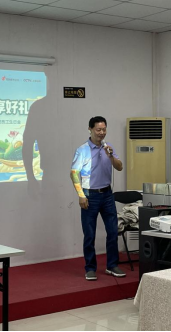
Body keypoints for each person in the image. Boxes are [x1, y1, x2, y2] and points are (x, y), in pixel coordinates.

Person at [70, 116, 125, 281]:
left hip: (107, 194)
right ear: (90, 129)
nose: (101, 133)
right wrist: (81, 195)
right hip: (89, 195)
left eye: (104, 129)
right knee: (89, 234)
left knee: (113, 231)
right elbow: (74, 173)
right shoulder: (82, 150)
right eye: (98, 130)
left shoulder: (108, 148)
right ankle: (90, 268)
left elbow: (120, 167)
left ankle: (112, 265)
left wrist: (111, 156)